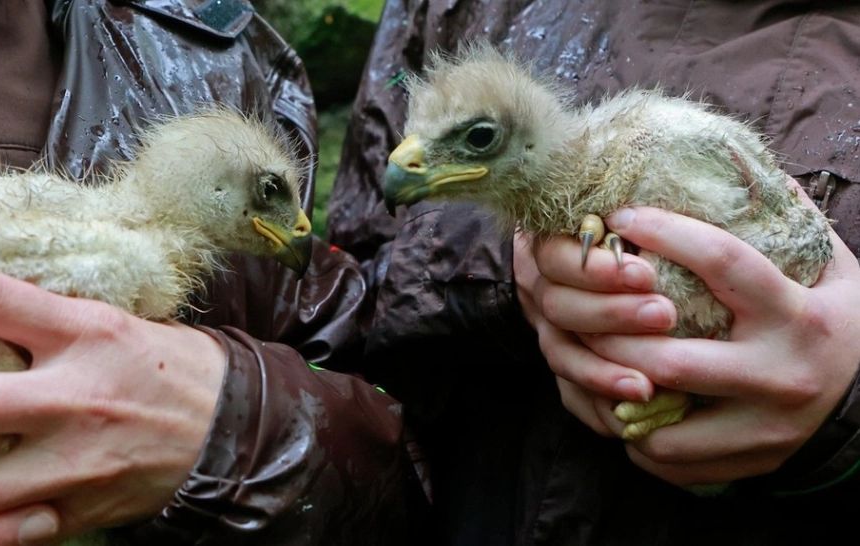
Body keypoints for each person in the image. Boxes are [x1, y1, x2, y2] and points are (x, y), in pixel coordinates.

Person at [0, 2, 428, 545]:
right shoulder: (125, 262)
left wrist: (230, 431)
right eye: (270, 195)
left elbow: (411, 459)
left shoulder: (197, 45)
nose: (297, 228)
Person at [328, 0, 860, 544]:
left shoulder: (665, 149)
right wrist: (505, 273)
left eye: (479, 139)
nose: (407, 163)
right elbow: (341, 293)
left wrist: (849, 407)